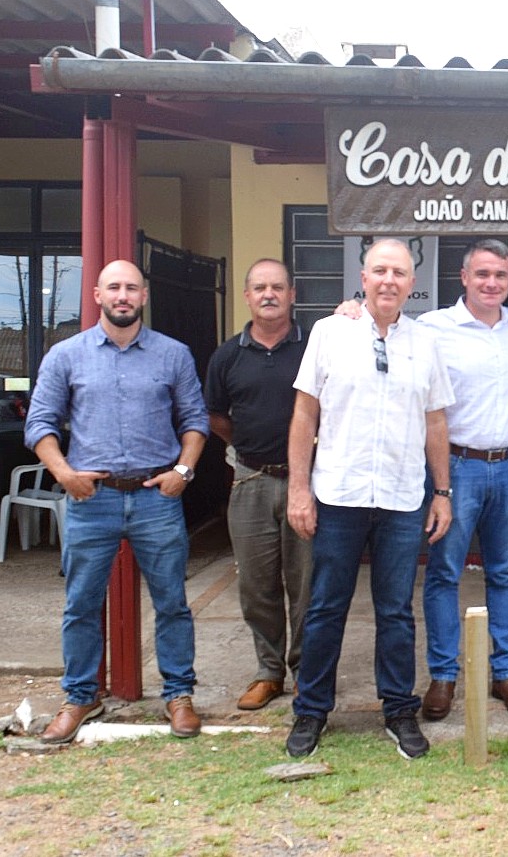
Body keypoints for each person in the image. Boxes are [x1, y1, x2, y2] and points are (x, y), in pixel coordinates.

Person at [284, 238, 454, 759]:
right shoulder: (330, 332)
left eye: (398, 273)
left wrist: (442, 491)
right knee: (325, 607)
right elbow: (305, 414)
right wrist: (298, 489)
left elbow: (435, 421)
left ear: (411, 283)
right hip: (338, 492)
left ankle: (398, 710)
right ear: (363, 277)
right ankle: (311, 712)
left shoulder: (424, 343)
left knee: (396, 611)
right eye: (379, 270)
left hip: (403, 496)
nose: (388, 281)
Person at [26, 259, 209, 744]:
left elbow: (195, 421)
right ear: (97, 295)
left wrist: (183, 473)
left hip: (156, 498)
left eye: (131, 287)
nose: (123, 295)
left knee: (172, 602)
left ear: (144, 296)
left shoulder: (173, 355)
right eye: (114, 288)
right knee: (81, 604)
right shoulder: (66, 355)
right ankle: (81, 696)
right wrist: (65, 475)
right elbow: (40, 423)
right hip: (92, 499)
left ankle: (179, 694)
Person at [417, 239, 508, 720]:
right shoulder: (432, 328)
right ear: (463, 277)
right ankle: (443, 676)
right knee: (444, 573)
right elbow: (381, 334)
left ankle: (505, 672)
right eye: (483, 274)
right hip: (458, 467)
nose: (492, 283)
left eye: (501, 276)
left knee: (505, 574)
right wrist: (353, 310)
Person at [205, 258, 312, 711]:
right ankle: (269, 672)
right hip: (250, 479)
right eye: (259, 288)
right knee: (256, 584)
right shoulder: (227, 355)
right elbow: (215, 416)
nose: (269, 294)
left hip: (307, 482)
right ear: (247, 296)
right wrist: (249, 447)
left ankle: (307, 673)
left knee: (307, 583)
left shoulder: (314, 348)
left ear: (292, 294)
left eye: (277, 287)